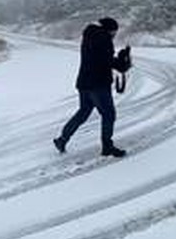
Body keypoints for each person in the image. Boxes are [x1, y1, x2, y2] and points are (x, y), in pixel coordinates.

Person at [53, 16, 131, 158]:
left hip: (84, 82)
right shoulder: (104, 39)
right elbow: (105, 61)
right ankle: (107, 146)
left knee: (83, 112)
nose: (114, 35)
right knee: (108, 114)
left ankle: (62, 139)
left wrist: (118, 58)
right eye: (114, 32)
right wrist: (122, 62)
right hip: (98, 84)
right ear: (110, 30)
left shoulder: (89, 35)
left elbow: (99, 58)